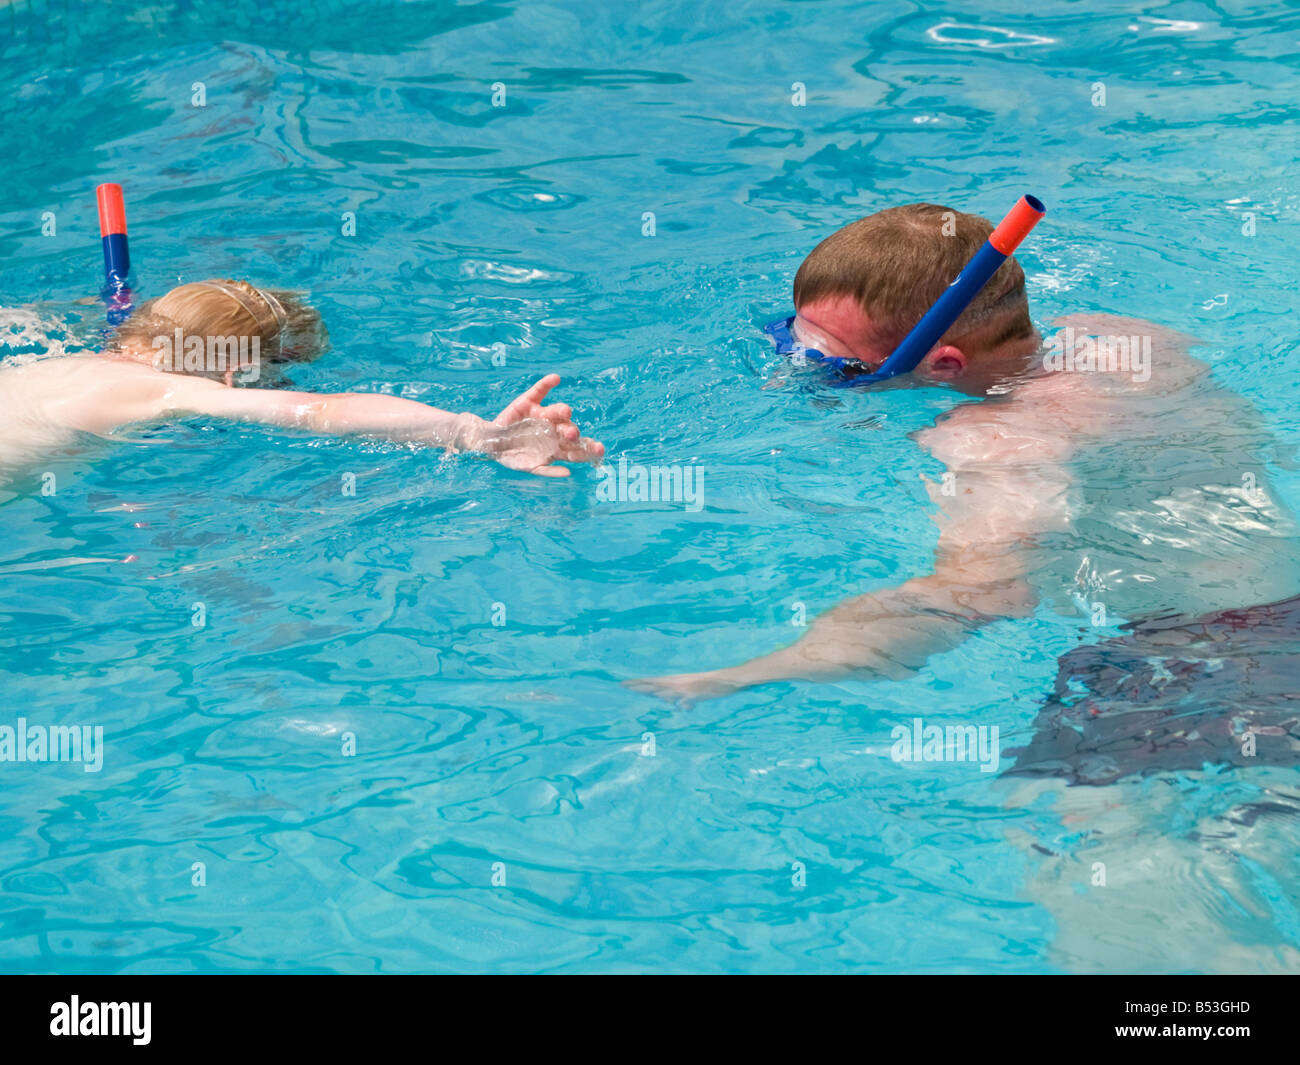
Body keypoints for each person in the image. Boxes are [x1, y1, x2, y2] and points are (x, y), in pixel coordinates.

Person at [638, 202, 1300, 699]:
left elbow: (980, 594)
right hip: (1275, 611)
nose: (798, 372)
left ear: (945, 364)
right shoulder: (1128, 340)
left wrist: (734, 676)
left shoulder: (1001, 440)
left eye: (830, 364)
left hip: (1203, 668)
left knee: (1056, 847)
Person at [0, 279, 603, 477]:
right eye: (276, 374)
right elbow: (324, 412)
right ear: (236, 369)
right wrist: (479, 435)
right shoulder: (174, 390)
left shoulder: (48, 357)